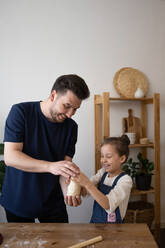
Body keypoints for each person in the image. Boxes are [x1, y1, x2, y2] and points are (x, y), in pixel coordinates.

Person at [0, 74, 90, 223]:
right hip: (18, 199)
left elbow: (63, 169)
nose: (70, 114)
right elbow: (10, 157)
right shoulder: (21, 112)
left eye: (75, 109)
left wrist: (68, 192)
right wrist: (50, 166)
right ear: (53, 95)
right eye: (67, 106)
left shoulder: (71, 127)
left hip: (52, 202)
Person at [72, 135, 133, 223]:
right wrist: (75, 182)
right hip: (95, 223)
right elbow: (86, 190)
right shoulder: (102, 173)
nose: (103, 160)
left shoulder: (125, 181)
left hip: (114, 229)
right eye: (102, 156)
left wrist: (86, 183)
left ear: (122, 158)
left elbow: (108, 204)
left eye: (108, 156)